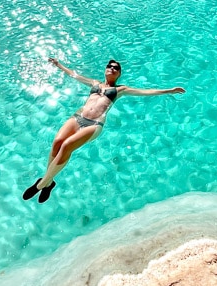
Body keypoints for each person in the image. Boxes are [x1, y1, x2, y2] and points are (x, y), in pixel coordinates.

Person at [23, 57, 186, 203]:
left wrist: (169, 90)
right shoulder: (95, 83)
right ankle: (49, 182)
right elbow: (75, 75)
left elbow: (145, 92)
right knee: (57, 142)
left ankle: (42, 183)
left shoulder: (120, 90)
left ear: (119, 74)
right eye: (110, 66)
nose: (112, 68)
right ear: (105, 69)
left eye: (116, 67)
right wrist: (59, 65)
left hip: (94, 124)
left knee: (66, 147)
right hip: (77, 117)